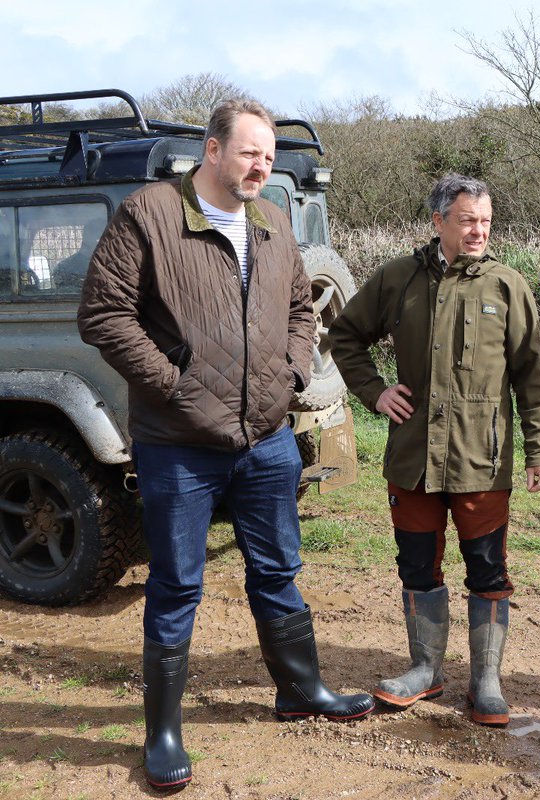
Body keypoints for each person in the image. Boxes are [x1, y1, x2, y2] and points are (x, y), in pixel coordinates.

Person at [78, 99, 374, 790]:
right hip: (178, 441)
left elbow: (303, 308)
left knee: (278, 570)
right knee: (178, 584)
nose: (261, 166)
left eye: (268, 156)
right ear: (213, 151)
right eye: (249, 153)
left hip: (267, 438)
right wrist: (172, 385)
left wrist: (296, 371)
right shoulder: (149, 214)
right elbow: (103, 312)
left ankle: (300, 691)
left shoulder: (272, 221)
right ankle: (164, 734)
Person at [329, 173, 540, 728]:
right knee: (416, 567)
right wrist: (375, 391)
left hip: (482, 457)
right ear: (438, 222)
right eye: (466, 220)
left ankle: (486, 682)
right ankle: (425, 669)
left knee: (487, 571)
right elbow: (344, 336)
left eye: (485, 220)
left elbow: (534, 376)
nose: (478, 230)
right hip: (413, 458)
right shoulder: (397, 279)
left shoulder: (508, 287)